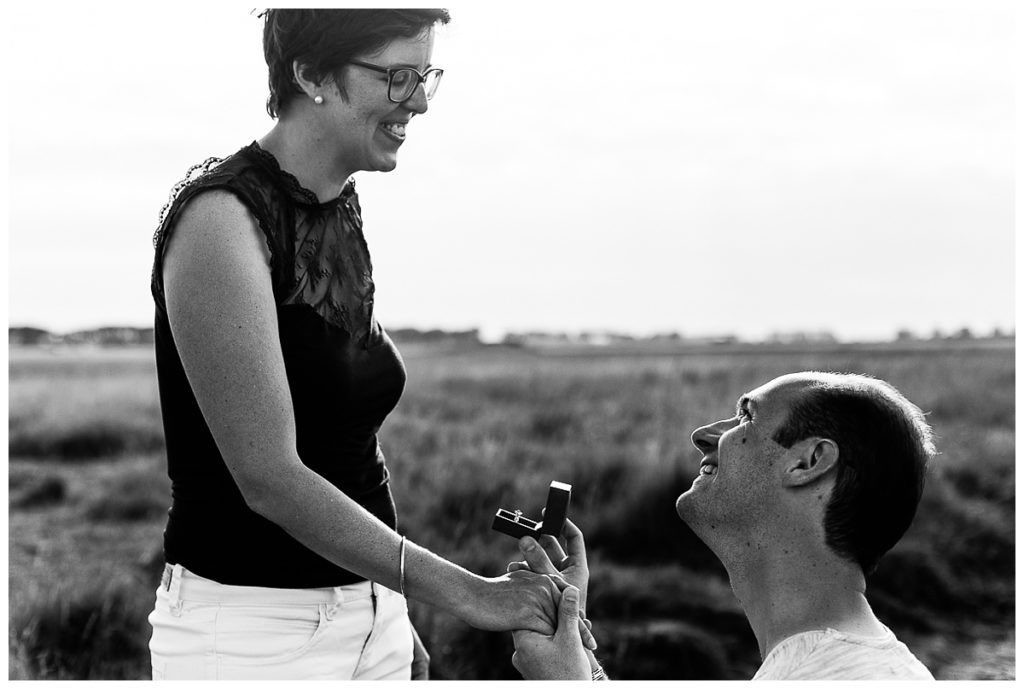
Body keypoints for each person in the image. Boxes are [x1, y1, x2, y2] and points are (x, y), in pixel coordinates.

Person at [146, 9, 585, 680]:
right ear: (310, 74)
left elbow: (347, 443)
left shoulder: (338, 202)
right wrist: (469, 592)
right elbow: (270, 478)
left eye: (426, 74)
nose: (419, 101)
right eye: (398, 76)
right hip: (248, 635)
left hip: (367, 613)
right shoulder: (219, 223)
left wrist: (383, 608)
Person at [509, 371, 937, 680]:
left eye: (746, 417)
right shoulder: (833, 664)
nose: (702, 434)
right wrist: (584, 668)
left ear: (808, 463)